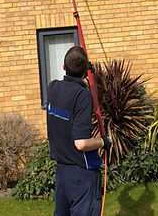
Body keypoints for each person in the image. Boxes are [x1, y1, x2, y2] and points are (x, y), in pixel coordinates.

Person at [47, 46, 112, 216]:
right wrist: (104, 141)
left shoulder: (52, 88)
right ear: (84, 71)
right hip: (82, 174)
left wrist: (84, 73)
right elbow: (81, 143)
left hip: (62, 173)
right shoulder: (82, 95)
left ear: (63, 67)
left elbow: (71, 96)